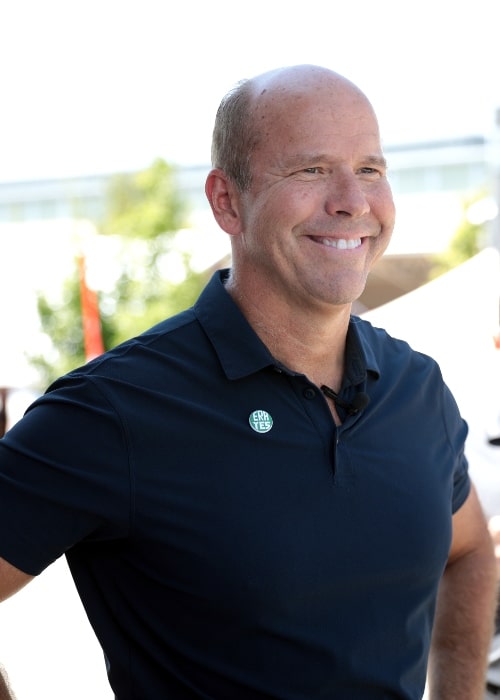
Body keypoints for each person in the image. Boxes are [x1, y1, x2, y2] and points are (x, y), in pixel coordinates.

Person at [0, 65, 497, 700]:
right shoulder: (116, 410)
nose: (352, 199)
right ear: (226, 201)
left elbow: (470, 550)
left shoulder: (416, 387)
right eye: (311, 170)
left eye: (370, 168)